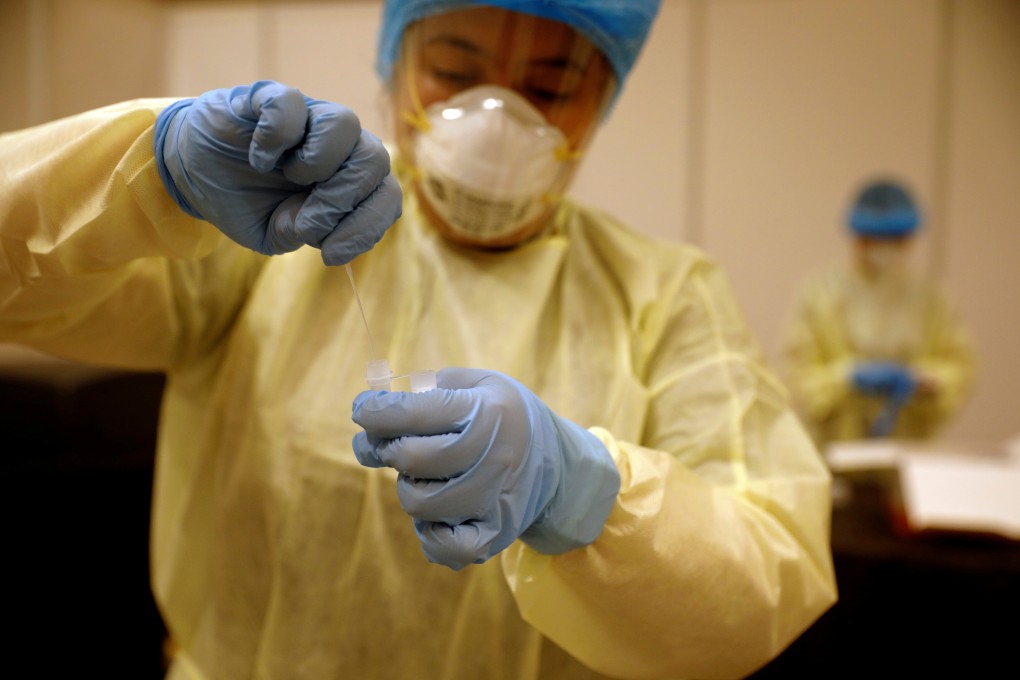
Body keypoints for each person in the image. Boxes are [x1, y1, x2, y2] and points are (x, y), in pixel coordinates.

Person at [0, 1, 837, 678]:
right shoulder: (268, 232)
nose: (495, 118)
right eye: (455, 71)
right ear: (393, 64)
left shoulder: (667, 298)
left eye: (549, 88)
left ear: (602, 104)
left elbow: (764, 592)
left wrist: (580, 491)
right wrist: (149, 176)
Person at [781, 178, 977, 447]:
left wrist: (922, 381)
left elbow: (960, 367)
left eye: (896, 240)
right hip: (834, 447)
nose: (886, 249)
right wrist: (848, 377)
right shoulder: (820, 294)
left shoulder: (931, 298)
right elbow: (797, 376)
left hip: (911, 448)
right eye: (876, 240)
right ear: (859, 238)